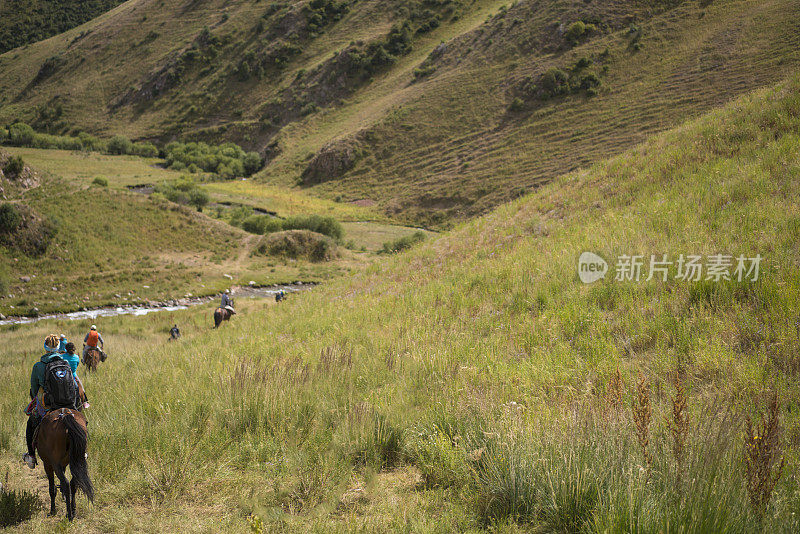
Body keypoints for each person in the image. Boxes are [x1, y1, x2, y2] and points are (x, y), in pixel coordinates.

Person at [23, 334, 79, 469]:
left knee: (31, 423)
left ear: (45, 347)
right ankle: (82, 451)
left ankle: (31, 456)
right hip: (67, 403)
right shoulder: (65, 363)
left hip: (48, 404)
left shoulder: (38, 366)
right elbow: (74, 386)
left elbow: (35, 389)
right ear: (59, 347)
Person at [62, 342, 89, 410]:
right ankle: (84, 402)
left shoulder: (62, 356)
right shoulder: (77, 357)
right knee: (81, 388)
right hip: (73, 376)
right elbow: (76, 366)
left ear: (66, 349)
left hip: (64, 375)